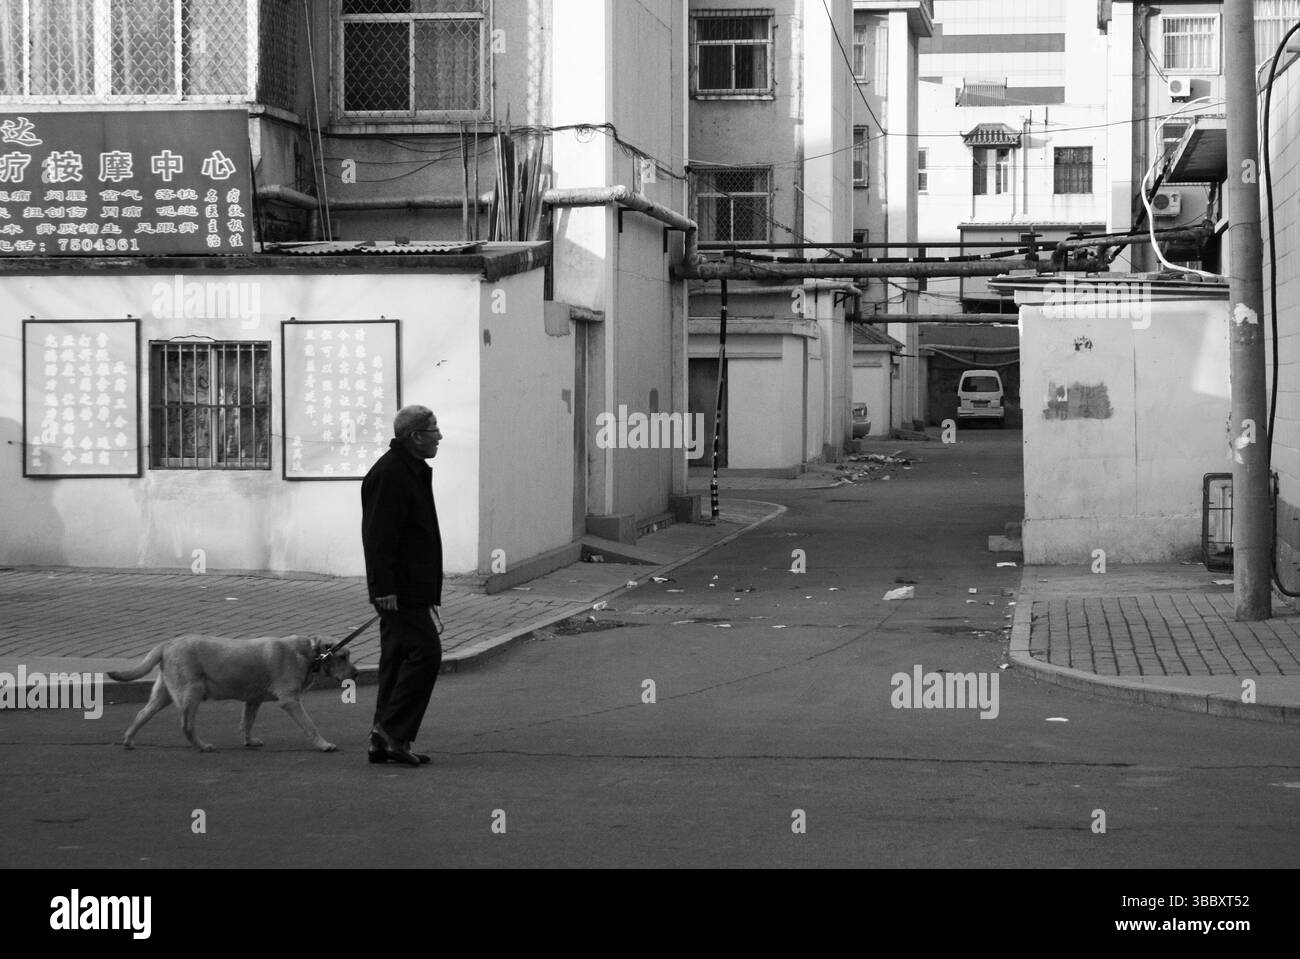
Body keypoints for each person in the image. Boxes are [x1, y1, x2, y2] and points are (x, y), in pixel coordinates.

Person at [360, 405, 445, 767]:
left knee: (395, 660)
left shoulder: (409, 471)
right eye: (433, 430)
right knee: (426, 652)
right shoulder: (391, 474)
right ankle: (393, 733)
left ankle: (383, 739)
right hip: (397, 590)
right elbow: (378, 536)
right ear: (414, 436)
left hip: (411, 587)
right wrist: (383, 588)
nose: (439, 436)